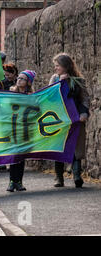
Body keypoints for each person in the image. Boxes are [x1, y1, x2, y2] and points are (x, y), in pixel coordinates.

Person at [49, 53, 90, 188]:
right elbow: (50, 96)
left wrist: (83, 112)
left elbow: (84, 97)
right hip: (59, 118)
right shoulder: (54, 79)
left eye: (58, 66)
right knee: (59, 147)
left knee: (76, 147)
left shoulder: (78, 80)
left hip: (75, 118)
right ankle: (58, 177)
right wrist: (60, 82)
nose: (56, 68)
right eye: (55, 66)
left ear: (66, 66)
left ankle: (77, 175)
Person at [6, 70, 36, 192]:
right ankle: (12, 181)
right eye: (18, 78)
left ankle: (19, 181)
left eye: (22, 78)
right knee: (14, 155)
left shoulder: (31, 95)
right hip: (13, 128)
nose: (19, 80)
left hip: (25, 129)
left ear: (28, 82)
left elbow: (36, 109)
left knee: (21, 156)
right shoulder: (11, 92)